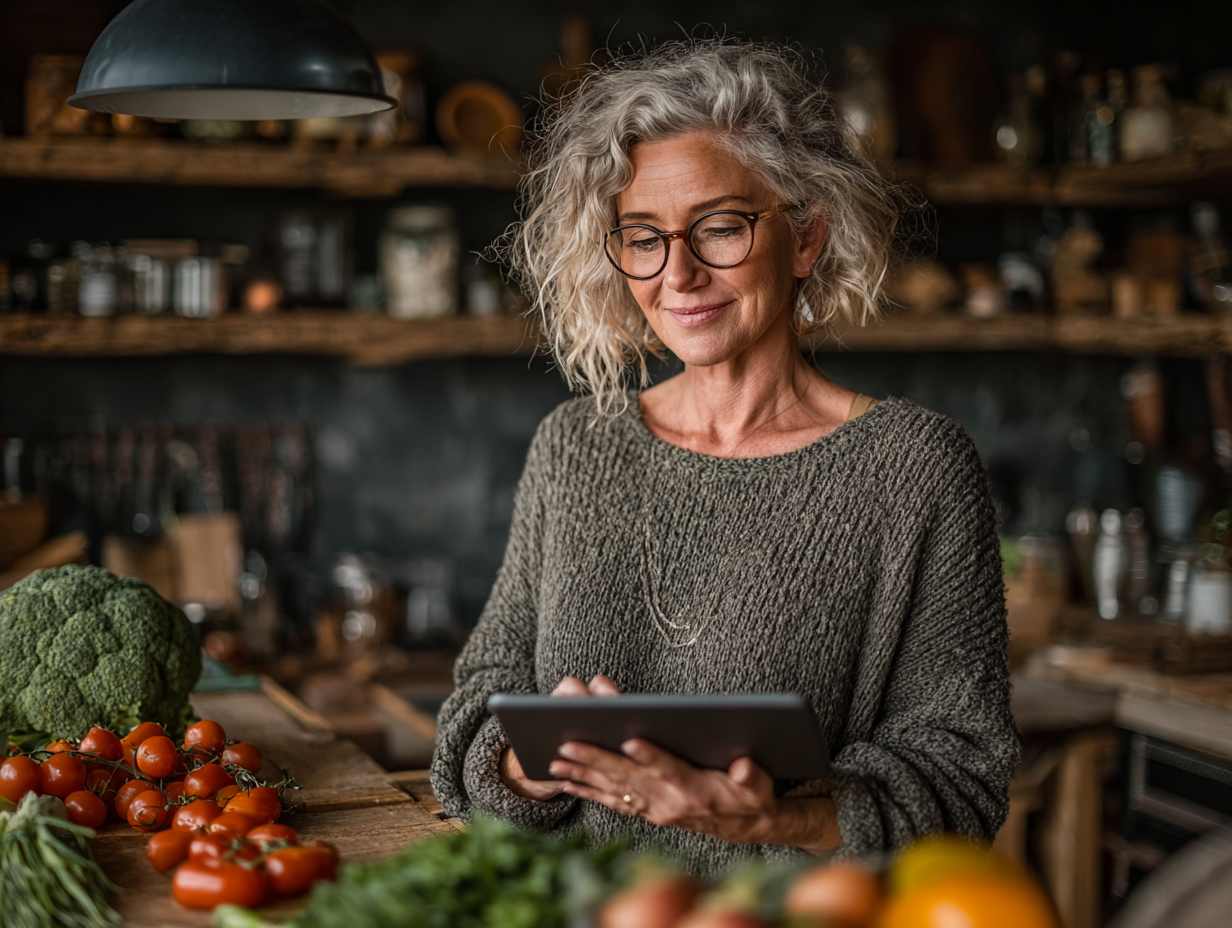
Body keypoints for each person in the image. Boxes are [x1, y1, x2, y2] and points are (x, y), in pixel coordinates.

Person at [431, 38, 1018, 876]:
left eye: (719, 228)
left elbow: (962, 783)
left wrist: (780, 818)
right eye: (643, 237)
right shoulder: (576, 445)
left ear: (807, 237)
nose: (679, 274)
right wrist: (528, 762)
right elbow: (474, 710)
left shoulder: (916, 469)